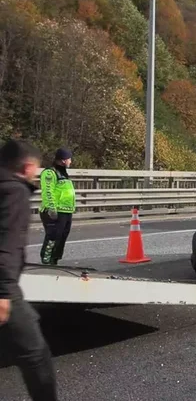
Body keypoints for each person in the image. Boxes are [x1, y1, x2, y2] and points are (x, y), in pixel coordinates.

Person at [0, 139, 59, 401]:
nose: (37, 175)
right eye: (36, 170)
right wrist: (3, 292)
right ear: (26, 167)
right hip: (3, 287)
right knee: (35, 354)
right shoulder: (15, 192)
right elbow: (7, 243)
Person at [39, 148, 75, 266]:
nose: (71, 161)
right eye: (69, 159)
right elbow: (48, 191)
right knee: (53, 236)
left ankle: (55, 260)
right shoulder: (50, 173)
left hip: (65, 211)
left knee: (62, 236)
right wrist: (52, 208)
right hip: (54, 210)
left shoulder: (64, 173)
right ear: (64, 160)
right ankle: (46, 259)